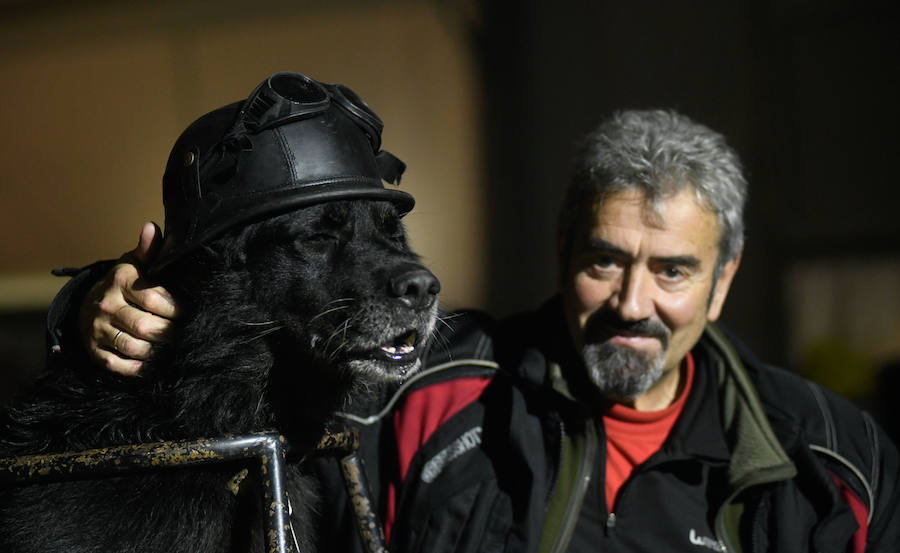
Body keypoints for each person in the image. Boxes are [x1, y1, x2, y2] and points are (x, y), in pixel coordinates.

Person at [49, 110, 899, 552]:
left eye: (673, 269)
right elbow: (240, 377)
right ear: (562, 250)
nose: (633, 301)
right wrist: (101, 305)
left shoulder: (835, 465)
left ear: (723, 284)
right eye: (606, 260)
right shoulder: (427, 388)